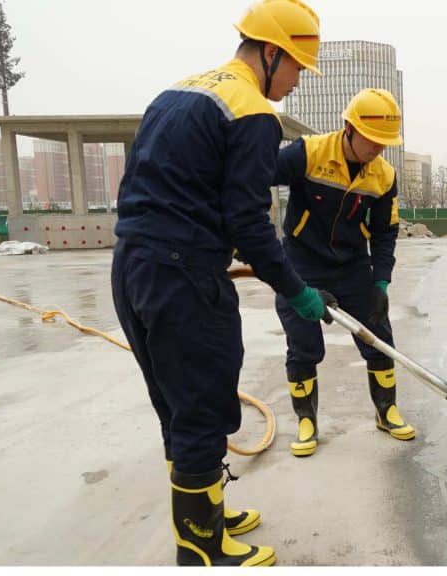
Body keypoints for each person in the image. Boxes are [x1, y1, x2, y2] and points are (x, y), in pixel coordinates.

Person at [110, 0, 334, 566]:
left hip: (133, 265)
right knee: (204, 408)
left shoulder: (177, 93)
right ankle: (202, 549)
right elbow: (248, 222)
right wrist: (297, 289)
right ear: (271, 52)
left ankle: (205, 511)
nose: (298, 80)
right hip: (182, 276)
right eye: (297, 67)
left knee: (178, 407)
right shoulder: (253, 111)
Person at [274, 88, 415, 458]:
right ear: (349, 128)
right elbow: (255, 177)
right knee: (304, 346)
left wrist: (381, 281)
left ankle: (386, 411)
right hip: (302, 263)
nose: (378, 150)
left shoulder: (383, 176)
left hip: (353, 266)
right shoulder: (310, 153)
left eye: (385, 143)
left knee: (377, 337)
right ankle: (307, 421)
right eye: (373, 141)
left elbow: (385, 233)